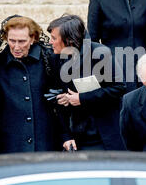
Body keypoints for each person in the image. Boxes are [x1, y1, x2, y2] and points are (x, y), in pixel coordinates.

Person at [0, 15, 62, 154]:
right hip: (10, 141)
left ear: (33, 38)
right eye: (12, 40)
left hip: (45, 139)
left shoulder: (48, 57)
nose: (16, 47)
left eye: (22, 41)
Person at [48, 14, 127, 151]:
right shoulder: (55, 58)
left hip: (105, 135)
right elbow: (59, 100)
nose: (50, 42)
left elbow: (119, 87)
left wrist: (82, 98)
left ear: (69, 40)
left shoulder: (100, 53)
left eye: (54, 38)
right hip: (77, 137)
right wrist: (66, 135)